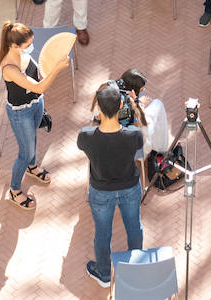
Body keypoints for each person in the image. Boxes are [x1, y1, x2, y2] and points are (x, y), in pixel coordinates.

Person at [78, 82, 145, 288]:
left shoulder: (86, 136)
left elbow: (85, 137)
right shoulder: (133, 134)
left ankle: (104, 274)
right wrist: (135, 109)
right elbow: (139, 136)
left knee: (102, 233)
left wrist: (95, 119)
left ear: (98, 107)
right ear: (121, 106)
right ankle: (135, 269)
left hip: (100, 192)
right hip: (130, 188)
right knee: (134, 228)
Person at [0, 21, 59, 210]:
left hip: (36, 103)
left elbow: (37, 73)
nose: (31, 47)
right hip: (20, 113)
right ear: (14, 45)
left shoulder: (22, 53)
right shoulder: (9, 68)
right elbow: (38, 87)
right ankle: (14, 189)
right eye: (28, 44)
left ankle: (32, 167)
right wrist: (57, 68)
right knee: (25, 153)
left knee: (32, 138)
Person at [118, 69, 171, 157]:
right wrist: (140, 106)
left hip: (114, 145)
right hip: (134, 150)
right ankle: (160, 151)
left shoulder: (110, 97)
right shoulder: (126, 108)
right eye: (142, 90)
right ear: (133, 91)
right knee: (157, 104)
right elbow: (138, 129)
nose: (143, 92)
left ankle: (161, 149)